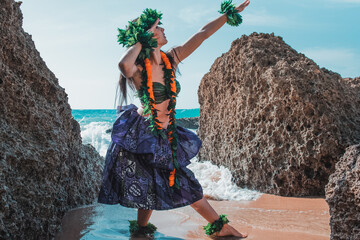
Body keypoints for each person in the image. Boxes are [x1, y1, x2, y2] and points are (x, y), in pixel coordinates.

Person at [98, 0, 250, 238]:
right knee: (177, 180)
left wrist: (229, 14)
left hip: (167, 131)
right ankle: (221, 228)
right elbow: (123, 66)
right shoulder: (139, 67)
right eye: (158, 28)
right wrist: (142, 38)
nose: (163, 29)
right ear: (148, 34)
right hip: (144, 133)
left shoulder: (172, 59)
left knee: (155, 182)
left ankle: (140, 230)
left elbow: (202, 34)